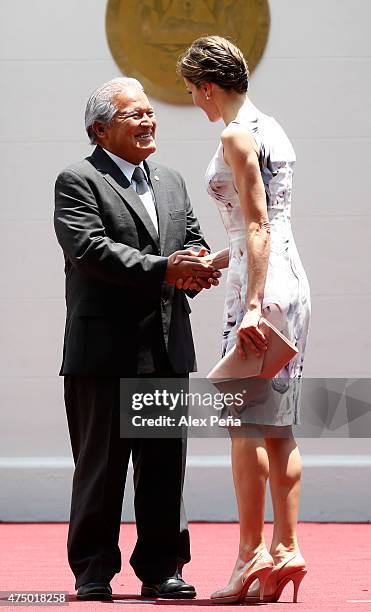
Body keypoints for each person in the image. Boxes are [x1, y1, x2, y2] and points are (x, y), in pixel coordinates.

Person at [54, 77, 220, 601]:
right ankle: (93, 570)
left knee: (164, 467)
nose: (150, 121)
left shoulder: (170, 180)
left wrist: (195, 265)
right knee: (101, 469)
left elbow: (190, 235)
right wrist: (165, 269)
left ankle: (162, 565)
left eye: (151, 112)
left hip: (166, 348)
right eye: (135, 115)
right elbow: (91, 250)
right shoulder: (77, 179)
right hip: (104, 353)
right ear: (100, 130)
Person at [177, 36, 311, 604]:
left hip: (260, 290)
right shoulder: (272, 127)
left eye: (192, 92)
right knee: (278, 423)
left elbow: (255, 223)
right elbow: (264, 224)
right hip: (291, 278)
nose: (195, 102)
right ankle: (287, 550)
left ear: (207, 86)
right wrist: (220, 257)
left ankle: (249, 554)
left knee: (241, 422)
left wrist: (251, 304)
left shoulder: (233, 133)